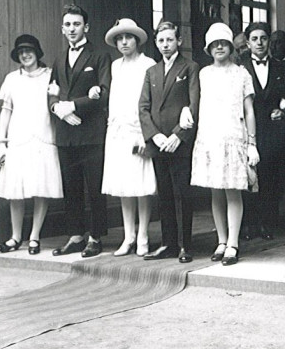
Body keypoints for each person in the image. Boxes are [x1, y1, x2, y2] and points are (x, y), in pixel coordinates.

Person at [190, 22, 259, 266]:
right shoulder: (204, 74)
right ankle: (221, 240)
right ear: (209, 48)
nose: (219, 47)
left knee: (232, 191)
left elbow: (249, 111)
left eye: (224, 43)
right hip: (210, 138)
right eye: (215, 44)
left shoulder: (241, 73)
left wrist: (252, 143)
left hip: (234, 137)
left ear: (231, 46)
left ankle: (233, 243)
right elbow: (198, 105)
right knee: (215, 191)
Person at [49, 4, 112, 258]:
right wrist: (57, 109)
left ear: (86, 27)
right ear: (62, 29)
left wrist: (74, 106)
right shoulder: (58, 58)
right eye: (67, 25)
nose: (72, 29)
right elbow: (51, 91)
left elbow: (104, 92)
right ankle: (75, 235)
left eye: (76, 24)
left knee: (94, 186)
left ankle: (95, 237)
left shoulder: (99, 56)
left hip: (91, 132)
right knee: (71, 185)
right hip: (66, 133)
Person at [0, 34, 64, 255]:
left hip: (43, 137)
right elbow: (6, 111)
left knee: (40, 188)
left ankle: (34, 237)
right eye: (21, 52)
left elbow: (57, 105)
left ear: (37, 53)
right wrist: (1, 143)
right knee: (16, 190)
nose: (25, 55)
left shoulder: (50, 77)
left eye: (29, 50)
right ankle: (16, 237)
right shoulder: (12, 79)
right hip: (18, 139)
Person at [139, 21, 200, 263]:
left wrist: (177, 135)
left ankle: (186, 244)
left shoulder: (190, 67)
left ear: (179, 41)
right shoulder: (151, 72)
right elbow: (143, 108)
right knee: (164, 194)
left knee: (182, 194)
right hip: (159, 142)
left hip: (179, 142)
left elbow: (194, 104)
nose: (165, 44)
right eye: (161, 40)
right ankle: (168, 244)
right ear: (156, 42)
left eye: (170, 40)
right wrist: (155, 136)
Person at [99, 18, 157, 256]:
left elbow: (150, 103)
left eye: (128, 37)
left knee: (141, 187)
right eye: (120, 38)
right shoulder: (114, 66)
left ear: (136, 40)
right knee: (124, 186)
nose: (124, 42)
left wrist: (147, 136)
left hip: (139, 132)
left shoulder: (148, 64)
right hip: (118, 132)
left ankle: (143, 235)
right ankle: (128, 236)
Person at [238, 22, 285, 241]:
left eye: (263, 38)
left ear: (268, 41)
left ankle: (266, 223)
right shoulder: (240, 67)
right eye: (254, 39)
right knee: (247, 178)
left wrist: (282, 109)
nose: (259, 43)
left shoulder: (280, 67)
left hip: (272, 132)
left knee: (269, 177)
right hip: (246, 130)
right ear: (248, 42)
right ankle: (247, 225)